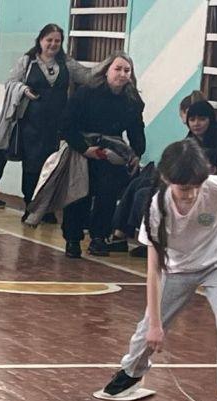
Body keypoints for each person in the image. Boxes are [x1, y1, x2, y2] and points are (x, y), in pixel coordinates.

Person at [100, 139, 217, 401]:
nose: (191, 194)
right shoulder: (156, 208)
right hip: (176, 269)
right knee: (147, 328)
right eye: (184, 188)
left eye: (196, 186)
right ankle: (131, 373)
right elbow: (153, 269)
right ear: (168, 180)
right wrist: (157, 325)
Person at [0, 23, 92, 220]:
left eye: (57, 41)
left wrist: (111, 71)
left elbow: (88, 77)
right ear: (40, 40)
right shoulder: (27, 62)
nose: (53, 44)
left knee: (50, 167)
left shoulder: (67, 63)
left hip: (55, 126)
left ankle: (46, 208)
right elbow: (11, 83)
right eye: (49, 40)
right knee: (31, 166)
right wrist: (23, 90)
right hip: (29, 124)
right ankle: (30, 206)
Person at [59, 51, 145, 258]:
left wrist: (136, 154)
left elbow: (136, 130)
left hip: (111, 151)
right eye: (118, 69)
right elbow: (67, 125)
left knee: (107, 195)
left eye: (127, 70)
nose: (122, 74)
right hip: (83, 148)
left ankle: (99, 237)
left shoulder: (133, 100)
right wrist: (84, 149)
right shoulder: (86, 93)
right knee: (79, 195)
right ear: (106, 71)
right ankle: (73, 239)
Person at [184, 100, 217, 174]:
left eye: (202, 119)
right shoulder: (189, 139)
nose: (196, 124)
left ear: (211, 119)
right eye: (192, 120)